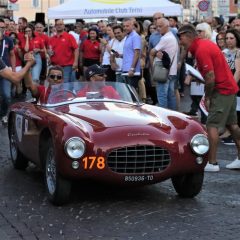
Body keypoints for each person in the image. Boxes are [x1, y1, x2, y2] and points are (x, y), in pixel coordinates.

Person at [177, 24, 240, 172]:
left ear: (189, 36)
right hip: (228, 88)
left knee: (212, 125)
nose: (180, 42)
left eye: (181, 38)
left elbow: (210, 77)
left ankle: (212, 163)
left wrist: (208, 97)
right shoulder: (203, 45)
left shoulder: (201, 49)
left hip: (222, 90)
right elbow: (210, 75)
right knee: (232, 125)